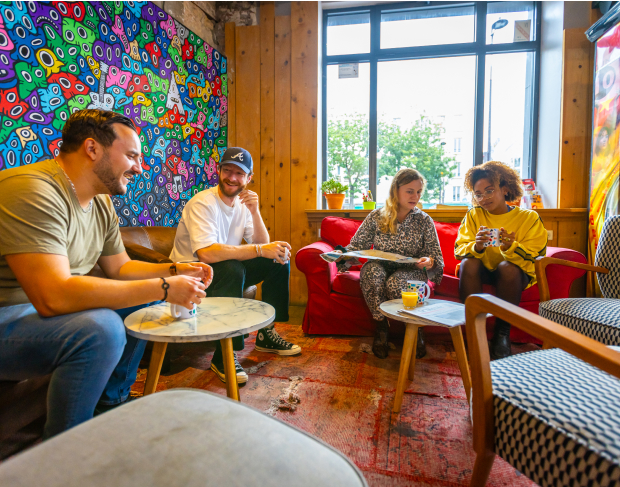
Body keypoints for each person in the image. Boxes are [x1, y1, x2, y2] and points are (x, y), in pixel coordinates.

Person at [0, 109, 213, 439]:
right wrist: (163, 288)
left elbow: (121, 268)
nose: (140, 168)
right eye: (131, 156)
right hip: (8, 314)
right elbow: (52, 296)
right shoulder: (32, 189)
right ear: (92, 148)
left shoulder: (100, 203)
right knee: (100, 329)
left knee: (138, 304)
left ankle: (111, 405)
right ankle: (65, 452)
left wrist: (176, 270)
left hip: (38, 314)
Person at [169, 147, 301, 385]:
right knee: (232, 268)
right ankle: (224, 355)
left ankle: (267, 333)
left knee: (278, 259)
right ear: (218, 171)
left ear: (248, 178)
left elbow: (262, 245)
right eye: (227, 170)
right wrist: (261, 250)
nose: (231, 177)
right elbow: (206, 254)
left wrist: (255, 211)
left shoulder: (243, 204)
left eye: (239, 173)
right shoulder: (202, 203)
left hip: (219, 272)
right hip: (192, 276)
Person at [335, 169, 443, 359]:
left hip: (411, 270)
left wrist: (428, 262)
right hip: (380, 265)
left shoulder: (424, 221)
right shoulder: (377, 216)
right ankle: (381, 327)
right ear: (396, 190)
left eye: (418, 192)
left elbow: (436, 259)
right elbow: (357, 246)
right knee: (371, 274)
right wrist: (341, 254)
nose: (415, 196)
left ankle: (416, 329)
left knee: (396, 283)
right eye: (410, 191)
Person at [455, 160, 547, 360]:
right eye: (478, 194)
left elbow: (534, 255)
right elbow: (459, 250)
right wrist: (476, 246)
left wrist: (510, 247)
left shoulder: (529, 217)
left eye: (489, 191)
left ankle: (501, 334)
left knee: (508, 267)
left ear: (505, 189)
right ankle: (473, 330)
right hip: (482, 270)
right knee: (468, 263)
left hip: (514, 274)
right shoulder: (473, 215)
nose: (483, 199)